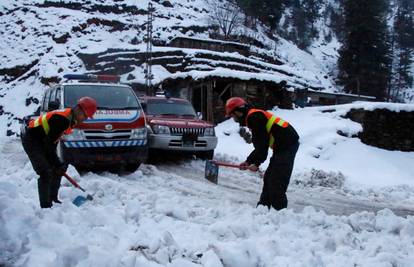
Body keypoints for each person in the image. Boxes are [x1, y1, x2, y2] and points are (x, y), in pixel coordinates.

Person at [21, 96, 97, 208]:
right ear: (78, 109)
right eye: (85, 116)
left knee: (58, 168)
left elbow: (53, 141)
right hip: (32, 140)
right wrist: (56, 162)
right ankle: (46, 207)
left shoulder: (70, 118)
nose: (84, 119)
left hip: (42, 140)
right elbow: (49, 145)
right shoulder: (63, 120)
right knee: (45, 172)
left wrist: (57, 164)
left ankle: (53, 199)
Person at [225, 97, 299, 211]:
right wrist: (249, 161)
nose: (233, 119)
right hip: (282, 146)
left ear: (238, 112)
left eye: (232, 116)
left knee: (276, 181)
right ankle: (262, 209)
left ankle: (280, 214)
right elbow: (261, 145)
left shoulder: (254, 118)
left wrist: (256, 163)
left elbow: (262, 147)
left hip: (287, 146)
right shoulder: (254, 116)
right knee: (269, 178)